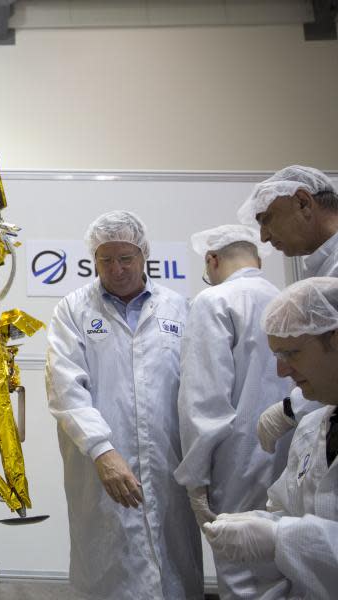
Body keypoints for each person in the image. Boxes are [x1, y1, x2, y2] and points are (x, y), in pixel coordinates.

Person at [45, 210, 201, 599]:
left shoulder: (178, 308)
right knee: (108, 566)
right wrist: (101, 449)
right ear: (93, 260)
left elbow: (199, 388)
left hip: (169, 464)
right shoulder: (73, 310)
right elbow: (65, 386)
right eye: (106, 259)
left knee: (173, 565)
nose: (116, 269)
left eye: (125, 258)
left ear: (144, 254)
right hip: (99, 467)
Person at [174, 224, 292, 598]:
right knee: (285, 567)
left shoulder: (215, 302)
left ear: (212, 259)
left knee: (243, 575)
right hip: (291, 454)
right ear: (256, 258)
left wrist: (195, 478)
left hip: (237, 461)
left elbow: (204, 400)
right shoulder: (286, 299)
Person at [203, 277, 338, 599]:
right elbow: (289, 508)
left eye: (291, 353)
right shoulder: (312, 428)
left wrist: (280, 537)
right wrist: (263, 523)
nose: (282, 372)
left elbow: (292, 533)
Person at [236, 167, 338, 459]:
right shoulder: (323, 267)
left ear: (304, 202)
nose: (264, 237)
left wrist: (293, 408)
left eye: (266, 219)